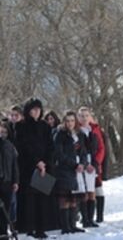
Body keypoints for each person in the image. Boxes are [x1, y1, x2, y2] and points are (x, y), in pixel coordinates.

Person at [15, 98, 54, 239]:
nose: (36, 112)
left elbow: (50, 146)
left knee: (42, 199)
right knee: (29, 199)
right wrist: (37, 162)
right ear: (28, 110)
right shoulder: (21, 126)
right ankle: (29, 228)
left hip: (44, 168)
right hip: (28, 167)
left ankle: (41, 228)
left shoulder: (45, 126)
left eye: (38, 109)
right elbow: (24, 146)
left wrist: (44, 163)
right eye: (33, 109)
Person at [54, 111, 86, 234]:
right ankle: (65, 227)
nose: (70, 123)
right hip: (64, 169)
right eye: (67, 121)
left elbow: (83, 152)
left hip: (77, 170)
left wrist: (82, 164)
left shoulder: (80, 134)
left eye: (72, 120)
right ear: (64, 122)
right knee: (64, 199)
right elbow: (59, 154)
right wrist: (75, 165)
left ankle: (73, 225)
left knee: (74, 198)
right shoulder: (60, 134)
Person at [77, 107, 105, 228]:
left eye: (86, 115)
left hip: (93, 165)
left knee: (92, 191)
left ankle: (91, 218)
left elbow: (100, 148)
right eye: (82, 116)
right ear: (78, 117)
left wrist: (95, 164)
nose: (84, 118)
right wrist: (84, 164)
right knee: (83, 192)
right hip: (82, 164)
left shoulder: (93, 131)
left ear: (90, 117)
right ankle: (84, 218)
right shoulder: (76, 131)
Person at [0, 122, 19, 236]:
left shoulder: (9, 146)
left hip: (7, 181)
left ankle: (3, 233)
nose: (2, 134)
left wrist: (16, 181)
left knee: (5, 210)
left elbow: (14, 165)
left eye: (4, 132)